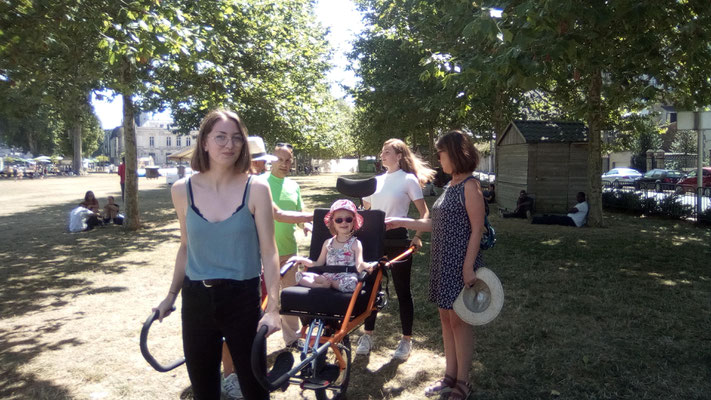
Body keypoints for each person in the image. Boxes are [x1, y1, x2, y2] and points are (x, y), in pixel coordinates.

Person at [152, 109, 281, 400]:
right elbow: (186, 246)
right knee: (204, 391)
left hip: (242, 300)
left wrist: (273, 308)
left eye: (237, 138)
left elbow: (269, 251)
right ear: (205, 143)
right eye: (220, 137)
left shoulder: (257, 188)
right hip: (196, 300)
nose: (229, 144)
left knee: (255, 388)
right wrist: (171, 296)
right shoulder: (182, 190)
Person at [385, 130, 485, 400]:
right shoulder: (451, 185)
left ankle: (463, 382)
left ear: (454, 154)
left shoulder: (471, 186)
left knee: (460, 322)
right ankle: (449, 376)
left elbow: (477, 230)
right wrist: (404, 222)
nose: (438, 159)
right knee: (446, 319)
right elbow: (435, 224)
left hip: (460, 263)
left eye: (441, 154)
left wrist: (468, 267)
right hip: (442, 261)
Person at [357, 138, 434, 361]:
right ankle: (367, 335)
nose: (382, 155)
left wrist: (417, 237)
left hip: (398, 240)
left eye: (387, 151)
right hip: (374, 240)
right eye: (382, 151)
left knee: (402, 290)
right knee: (370, 288)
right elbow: (367, 211)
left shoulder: (408, 179)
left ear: (399, 156)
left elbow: (424, 213)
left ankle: (406, 340)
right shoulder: (375, 181)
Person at [264, 142, 309, 349]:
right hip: (262, 253)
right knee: (263, 300)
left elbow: (299, 215)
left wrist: (306, 224)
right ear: (271, 160)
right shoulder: (259, 183)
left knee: (290, 297)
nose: (284, 164)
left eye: (288, 160)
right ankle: (255, 343)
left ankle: (292, 339)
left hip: (289, 252)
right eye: (279, 159)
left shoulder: (294, 186)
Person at [289, 199, 374, 292]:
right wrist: (302, 260)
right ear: (333, 222)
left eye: (348, 219)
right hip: (327, 276)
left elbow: (359, 265)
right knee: (300, 276)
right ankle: (319, 286)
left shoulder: (355, 243)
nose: (344, 222)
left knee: (352, 283)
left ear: (354, 221)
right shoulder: (328, 243)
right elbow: (318, 263)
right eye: (339, 220)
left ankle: (330, 284)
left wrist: (366, 266)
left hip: (346, 276)